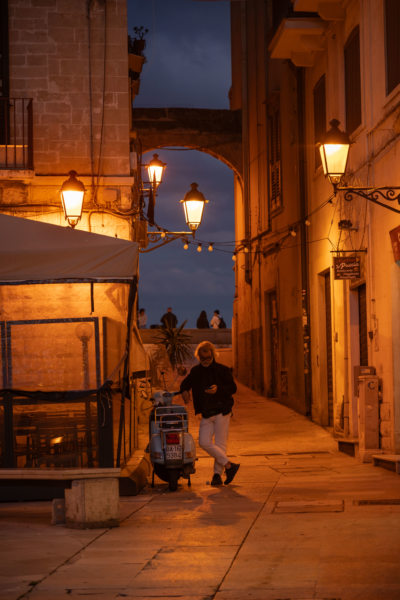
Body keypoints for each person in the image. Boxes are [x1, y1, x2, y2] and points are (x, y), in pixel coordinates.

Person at [180, 341, 240, 486]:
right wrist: (184, 391)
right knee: (203, 442)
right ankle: (229, 466)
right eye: (202, 358)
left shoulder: (222, 370)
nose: (205, 361)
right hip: (206, 413)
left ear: (213, 354)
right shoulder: (195, 372)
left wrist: (218, 389)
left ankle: (217, 476)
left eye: (208, 358)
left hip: (222, 410)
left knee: (220, 443)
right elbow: (185, 383)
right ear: (199, 357)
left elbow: (233, 388)